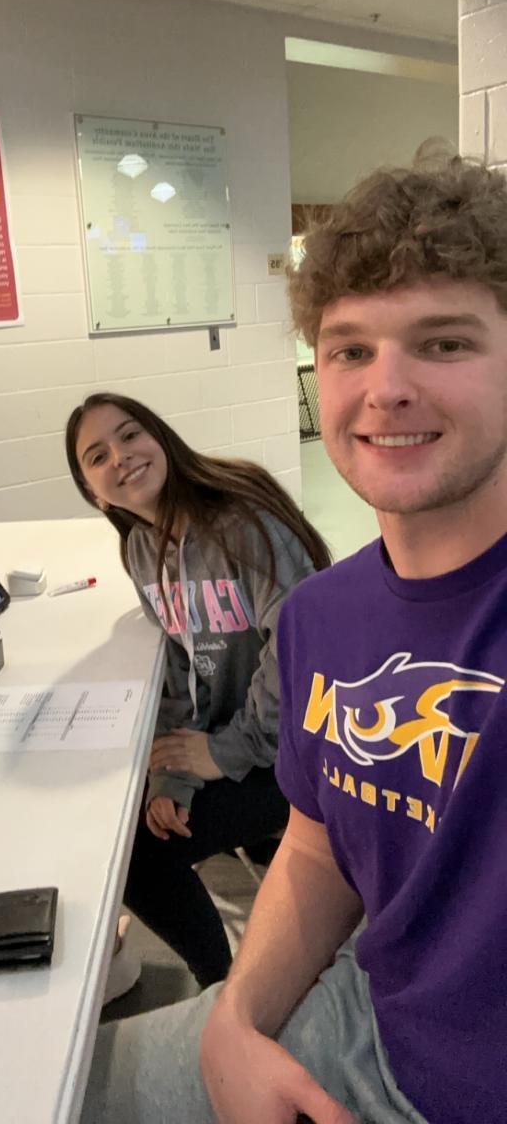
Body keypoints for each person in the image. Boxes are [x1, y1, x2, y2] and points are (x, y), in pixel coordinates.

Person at [79, 155, 507, 1124]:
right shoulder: (322, 615)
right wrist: (236, 1018)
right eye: (350, 350)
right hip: (365, 1004)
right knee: (37, 1086)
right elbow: (316, 848)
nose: (385, 388)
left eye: (443, 342)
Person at [65, 393, 331, 991]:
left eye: (130, 435)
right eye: (98, 456)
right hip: (244, 743)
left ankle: (220, 989)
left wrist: (223, 753)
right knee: (136, 814)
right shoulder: (141, 547)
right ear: (92, 491)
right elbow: (181, 662)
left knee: (134, 858)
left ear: (160, 437)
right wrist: (174, 775)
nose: (120, 457)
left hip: (306, 749)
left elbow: (303, 649)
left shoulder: (241, 522)